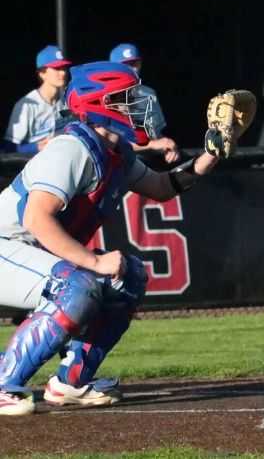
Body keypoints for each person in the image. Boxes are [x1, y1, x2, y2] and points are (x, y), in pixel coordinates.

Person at [0, 61, 225, 416]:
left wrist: (210, 156)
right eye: (127, 99)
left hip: (29, 252)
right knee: (79, 284)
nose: (139, 106)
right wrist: (92, 261)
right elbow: (36, 218)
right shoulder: (71, 148)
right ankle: (2, 382)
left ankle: (69, 383)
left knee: (128, 277)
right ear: (100, 104)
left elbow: (163, 186)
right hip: (5, 247)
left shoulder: (117, 153)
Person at [109, 43, 179, 164]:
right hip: (118, 164)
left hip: (148, 162)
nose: (133, 68)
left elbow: (155, 135)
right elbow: (112, 142)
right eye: (126, 64)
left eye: (135, 63)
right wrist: (152, 145)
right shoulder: (105, 96)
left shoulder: (148, 93)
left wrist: (168, 147)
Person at [3, 45, 72, 154]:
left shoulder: (65, 101)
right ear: (42, 73)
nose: (63, 73)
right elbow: (8, 148)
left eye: (64, 68)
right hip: (31, 165)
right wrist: (35, 148)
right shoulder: (26, 105)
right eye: (57, 68)